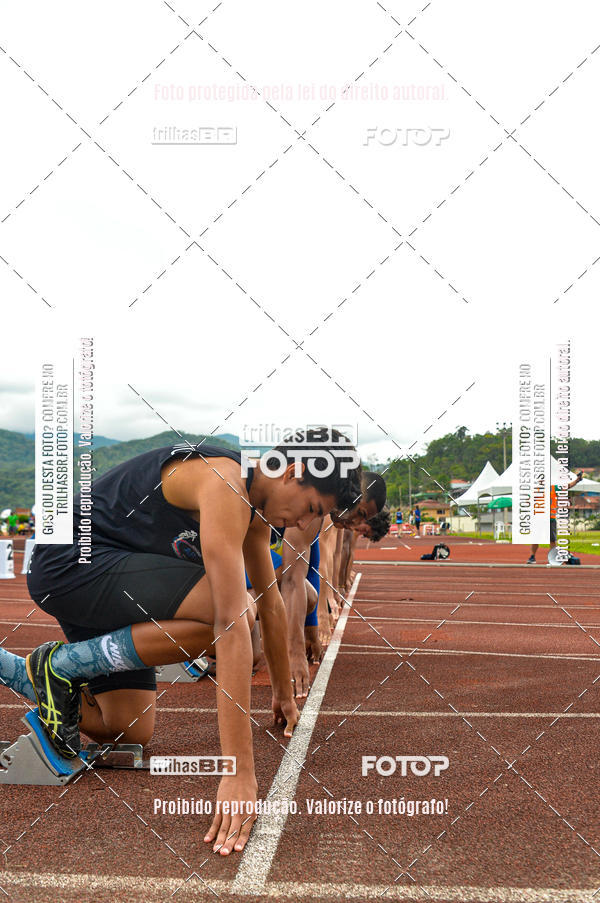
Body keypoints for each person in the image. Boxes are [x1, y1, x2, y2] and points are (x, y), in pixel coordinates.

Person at [1, 429, 361, 856]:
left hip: (110, 580)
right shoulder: (225, 482)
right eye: (311, 509)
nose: (303, 524)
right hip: (70, 563)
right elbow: (231, 623)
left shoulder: (257, 512)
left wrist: (283, 694)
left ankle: (17, 670)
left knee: (127, 727)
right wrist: (238, 772)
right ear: (295, 472)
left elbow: (274, 604)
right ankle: (65, 665)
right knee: (232, 611)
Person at [527, 471, 583, 563]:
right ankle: (532, 557)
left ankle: (552, 558)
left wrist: (577, 480)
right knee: (536, 539)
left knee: (552, 540)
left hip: (550, 518)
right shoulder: (534, 490)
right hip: (538, 518)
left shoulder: (553, 488)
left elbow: (567, 486)